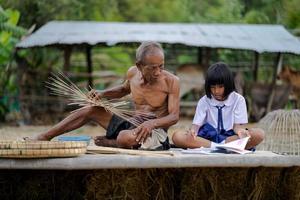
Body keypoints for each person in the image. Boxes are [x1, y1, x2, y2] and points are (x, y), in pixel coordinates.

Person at [31, 42, 180, 150]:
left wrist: (151, 124)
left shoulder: (172, 81)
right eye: (153, 68)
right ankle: (44, 137)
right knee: (91, 109)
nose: (158, 72)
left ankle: (114, 142)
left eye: (162, 66)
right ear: (139, 66)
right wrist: (102, 94)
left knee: (124, 137)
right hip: (131, 123)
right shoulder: (132, 73)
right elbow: (123, 90)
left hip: (154, 131)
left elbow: (174, 117)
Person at [172, 62, 264, 150]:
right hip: (207, 138)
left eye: (220, 87)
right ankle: (219, 147)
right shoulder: (204, 101)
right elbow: (196, 125)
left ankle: (219, 146)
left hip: (229, 138)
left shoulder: (238, 100)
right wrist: (193, 131)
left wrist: (241, 132)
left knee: (259, 134)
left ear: (228, 84)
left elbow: (238, 127)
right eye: (212, 87)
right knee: (177, 136)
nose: (216, 91)